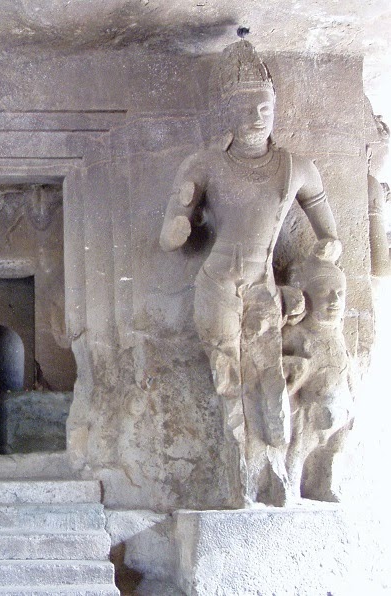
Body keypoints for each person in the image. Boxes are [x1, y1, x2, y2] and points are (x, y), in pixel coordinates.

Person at [159, 40, 341, 505]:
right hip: (218, 282)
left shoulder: (295, 167)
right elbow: (168, 235)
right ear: (228, 113)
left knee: (270, 376)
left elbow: (323, 221)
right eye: (245, 109)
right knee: (229, 377)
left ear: (274, 109)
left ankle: (274, 472)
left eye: (264, 107)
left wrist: (328, 245)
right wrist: (180, 227)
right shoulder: (205, 164)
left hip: (262, 285)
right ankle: (243, 473)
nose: (256, 117)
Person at [282, 256, 351, 502]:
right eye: (323, 291)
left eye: (340, 293)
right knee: (297, 448)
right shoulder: (296, 334)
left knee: (334, 450)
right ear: (305, 297)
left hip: (340, 408)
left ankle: (324, 484)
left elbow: (346, 369)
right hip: (307, 409)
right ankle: (290, 486)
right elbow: (275, 368)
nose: (334, 300)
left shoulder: (337, 336)